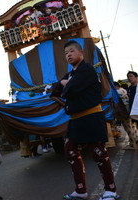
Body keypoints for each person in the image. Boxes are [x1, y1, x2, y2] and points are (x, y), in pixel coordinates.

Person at [51, 40, 119, 200]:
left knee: (98, 152)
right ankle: (81, 190)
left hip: (91, 117)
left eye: (72, 51)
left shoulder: (87, 69)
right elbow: (54, 91)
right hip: (75, 120)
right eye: (66, 52)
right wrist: (62, 82)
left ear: (81, 53)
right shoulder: (69, 75)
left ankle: (111, 190)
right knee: (71, 151)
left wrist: (65, 86)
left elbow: (69, 90)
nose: (68, 54)